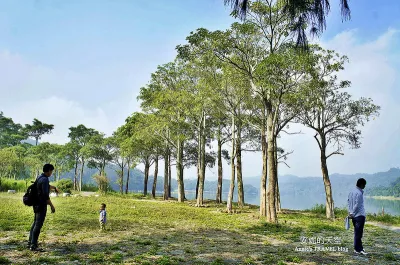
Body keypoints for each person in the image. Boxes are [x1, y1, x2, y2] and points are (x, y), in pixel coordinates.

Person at [28, 164, 58, 252]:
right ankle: (33, 245)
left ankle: (30, 242)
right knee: (38, 225)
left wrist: (54, 188)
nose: (51, 173)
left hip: (36, 204)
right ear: (48, 170)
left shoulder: (40, 177)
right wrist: (52, 206)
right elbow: (45, 195)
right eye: (51, 171)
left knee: (35, 223)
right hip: (41, 205)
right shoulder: (45, 179)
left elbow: (45, 187)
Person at [347, 178, 367, 255]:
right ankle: (358, 249)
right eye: (364, 185)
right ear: (361, 184)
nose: (365, 186)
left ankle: (359, 247)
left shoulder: (352, 192)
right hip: (359, 215)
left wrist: (350, 212)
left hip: (354, 216)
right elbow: (357, 205)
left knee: (357, 232)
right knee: (358, 233)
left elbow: (348, 202)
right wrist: (352, 213)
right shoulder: (359, 193)